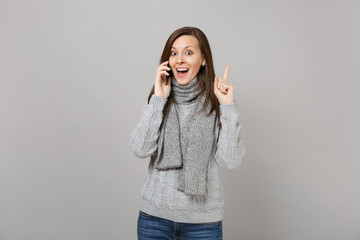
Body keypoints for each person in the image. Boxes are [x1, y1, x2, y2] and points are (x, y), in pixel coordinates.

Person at [130, 26, 246, 240]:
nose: (180, 59)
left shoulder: (217, 101)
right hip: (154, 219)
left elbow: (231, 160)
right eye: (174, 53)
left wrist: (228, 106)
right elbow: (140, 148)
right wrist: (158, 100)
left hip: (203, 224)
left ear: (203, 59)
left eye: (189, 52)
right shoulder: (159, 97)